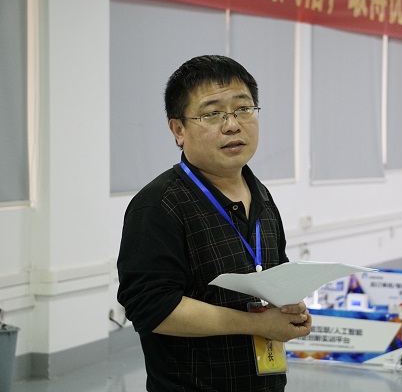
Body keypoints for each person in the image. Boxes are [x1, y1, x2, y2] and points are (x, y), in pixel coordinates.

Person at [117, 55, 312, 392]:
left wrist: (289, 308)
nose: (232, 125)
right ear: (179, 130)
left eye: (243, 109)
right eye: (212, 114)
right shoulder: (159, 205)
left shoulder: (261, 196)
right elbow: (152, 308)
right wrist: (257, 324)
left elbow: (272, 275)